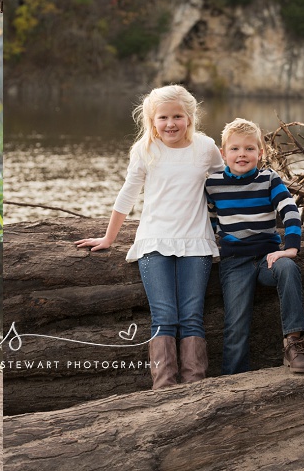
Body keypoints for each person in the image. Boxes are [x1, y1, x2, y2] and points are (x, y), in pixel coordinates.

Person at [76, 85, 224, 389]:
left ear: (190, 117)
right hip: (154, 241)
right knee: (165, 316)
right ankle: (164, 388)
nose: (170, 124)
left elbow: (227, 187)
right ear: (151, 120)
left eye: (177, 116)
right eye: (163, 117)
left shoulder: (206, 147)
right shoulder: (146, 150)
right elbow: (127, 195)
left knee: (192, 316)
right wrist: (108, 239)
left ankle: (196, 385)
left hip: (195, 241)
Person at [205, 118, 304, 375]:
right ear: (223, 154)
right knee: (236, 324)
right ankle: (234, 375)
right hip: (234, 262)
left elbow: (290, 211)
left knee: (287, 267)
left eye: (249, 149)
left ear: (260, 153)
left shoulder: (269, 179)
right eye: (234, 149)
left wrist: (291, 248)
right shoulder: (213, 184)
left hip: (268, 258)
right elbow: (208, 223)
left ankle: (294, 343)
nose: (242, 154)